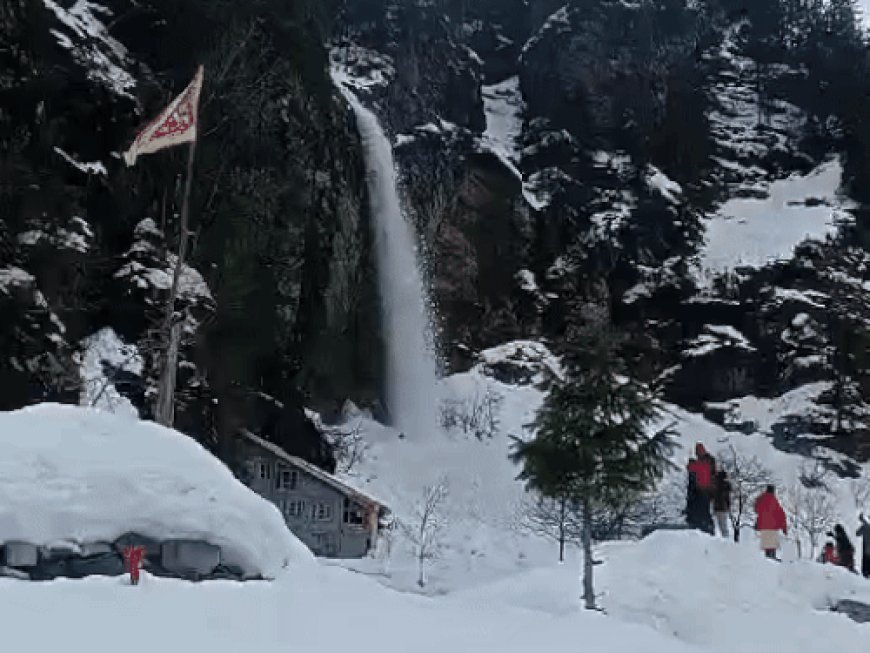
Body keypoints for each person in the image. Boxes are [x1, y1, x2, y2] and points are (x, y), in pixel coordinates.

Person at [754, 485, 787, 559]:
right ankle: (772, 560)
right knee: (771, 546)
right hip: (772, 526)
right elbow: (780, 514)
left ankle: (769, 560)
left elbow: (756, 509)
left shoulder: (761, 498)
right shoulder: (773, 500)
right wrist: (784, 528)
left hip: (763, 525)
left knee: (767, 546)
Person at [685, 465, 715, 535]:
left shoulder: (693, 482)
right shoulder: (706, 485)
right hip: (705, 518)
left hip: (696, 517)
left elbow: (690, 497)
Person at [712, 469, 731, 539]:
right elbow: (727, 498)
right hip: (724, 508)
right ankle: (726, 540)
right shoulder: (726, 485)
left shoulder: (716, 485)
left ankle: (716, 539)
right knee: (724, 526)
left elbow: (712, 495)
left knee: (716, 525)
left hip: (716, 507)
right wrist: (728, 507)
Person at [857, 514, 870, 578]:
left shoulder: (865, 526)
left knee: (866, 560)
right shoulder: (866, 526)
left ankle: (865, 574)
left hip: (866, 548)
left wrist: (862, 520)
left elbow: (857, 533)